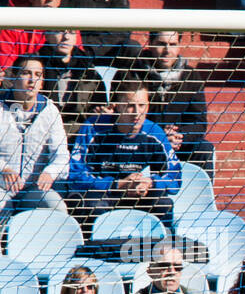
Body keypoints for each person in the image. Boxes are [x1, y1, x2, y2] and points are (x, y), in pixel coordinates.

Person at [68, 80, 181, 225]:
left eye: (142, 105)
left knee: (163, 203)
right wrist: (118, 184)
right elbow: (75, 175)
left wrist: (150, 182)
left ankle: (163, 245)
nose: (137, 113)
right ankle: (91, 247)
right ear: (118, 106)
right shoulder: (94, 128)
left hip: (137, 194)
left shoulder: (154, 133)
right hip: (104, 194)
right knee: (94, 207)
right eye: (130, 106)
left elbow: (175, 176)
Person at [0, 56, 69, 223]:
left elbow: (62, 155)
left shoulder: (50, 110)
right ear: (13, 77)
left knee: (55, 205)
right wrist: (4, 169)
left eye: (38, 74)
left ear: (42, 81)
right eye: (26, 73)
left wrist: (50, 172)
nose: (32, 80)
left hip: (32, 188)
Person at [138, 31, 213, 173]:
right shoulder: (134, 72)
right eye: (161, 44)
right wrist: (160, 136)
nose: (167, 50)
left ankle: (200, 194)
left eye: (173, 44)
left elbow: (199, 122)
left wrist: (179, 137)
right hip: (143, 142)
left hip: (177, 144)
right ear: (150, 43)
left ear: (179, 46)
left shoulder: (191, 76)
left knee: (204, 148)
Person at [35, 28, 107, 138]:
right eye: (59, 31)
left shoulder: (88, 71)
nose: (66, 37)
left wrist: (102, 113)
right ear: (47, 35)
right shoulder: (33, 65)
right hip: (40, 131)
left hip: (77, 136)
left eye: (72, 32)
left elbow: (99, 107)